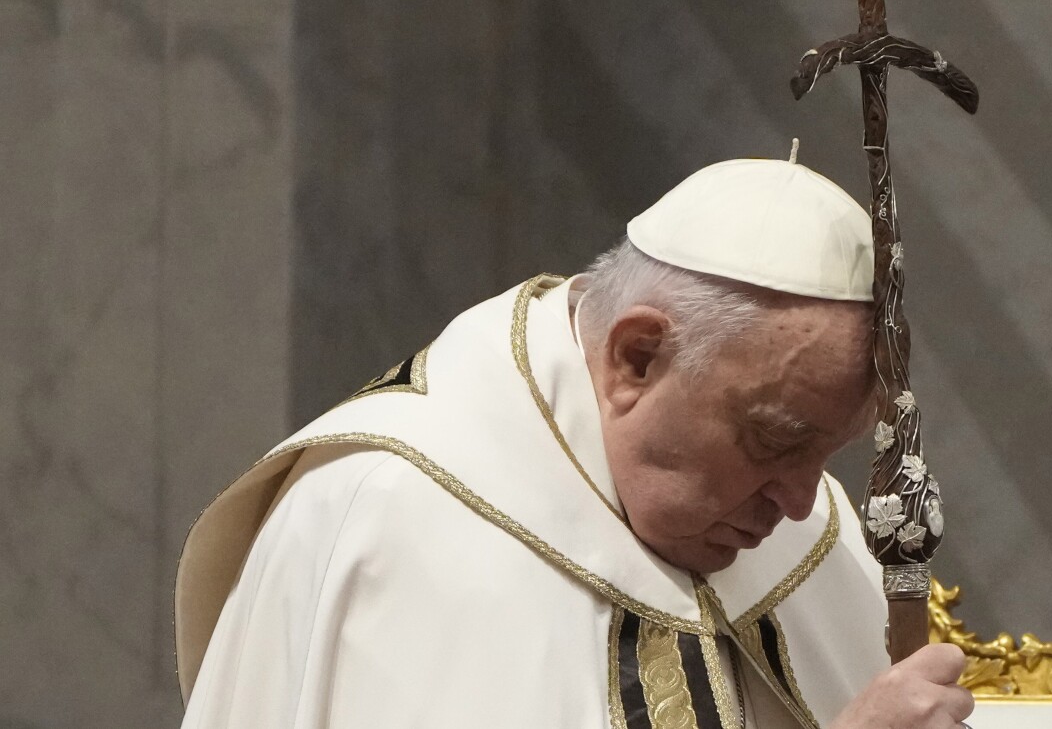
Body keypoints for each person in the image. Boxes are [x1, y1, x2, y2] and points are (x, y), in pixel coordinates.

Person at [175, 158, 975, 728]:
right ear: (636, 358)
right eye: (772, 441)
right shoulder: (388, 521)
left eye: (826, 454)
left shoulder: (810, 539)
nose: (802, 503)